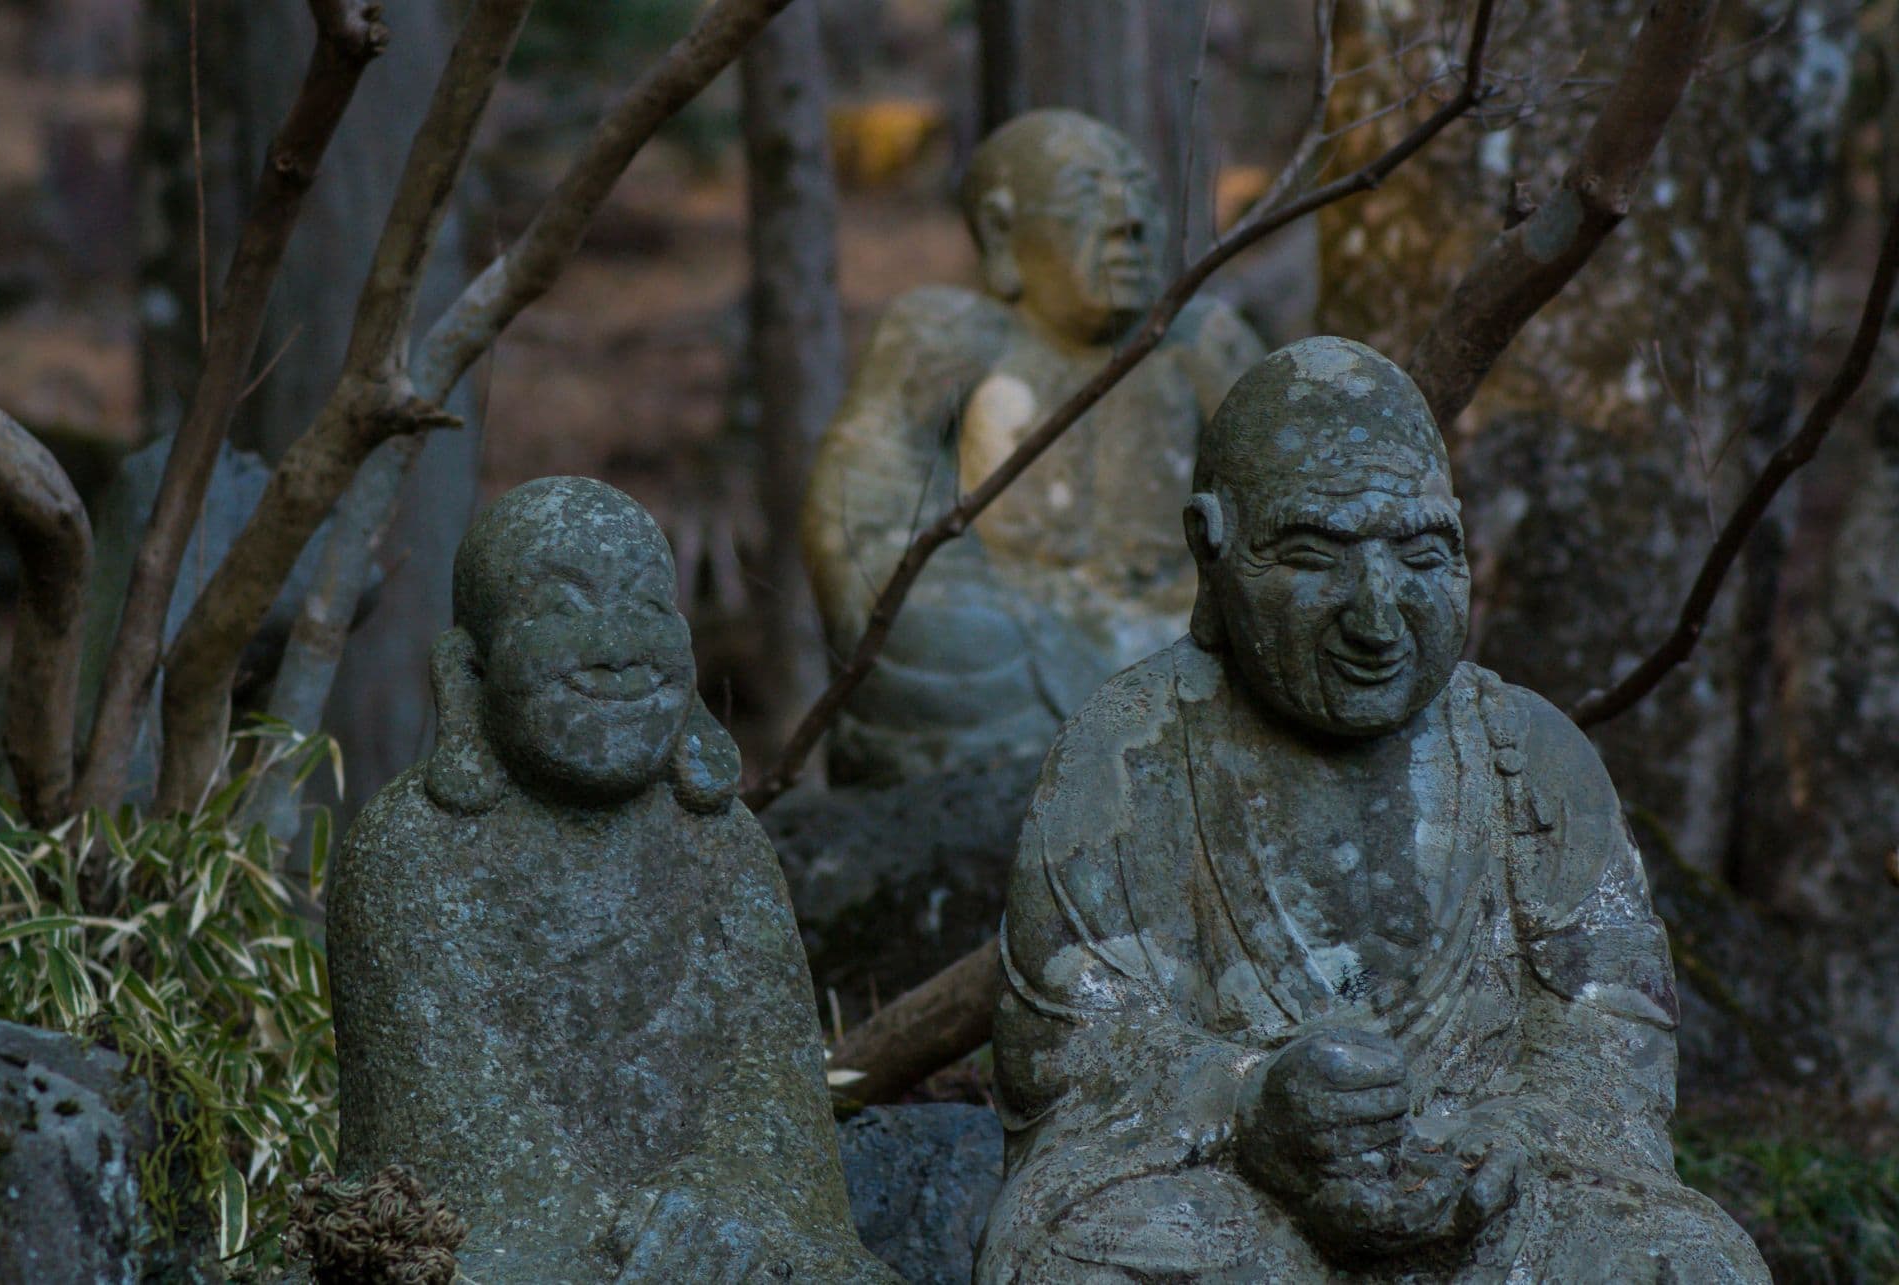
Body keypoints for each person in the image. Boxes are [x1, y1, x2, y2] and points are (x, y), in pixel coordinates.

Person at [976, 339, 1767, 1283]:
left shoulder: (1529, 752)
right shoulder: (1127, 749)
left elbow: (1611, 1044)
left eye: (1423, 554)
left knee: (1694, 1263)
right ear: (1209, 547)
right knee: (1078, 1261)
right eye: (1316, 556)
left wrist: (1498, 1145)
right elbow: (1066, 1050)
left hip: (1503, 1204)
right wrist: (1247, 1101)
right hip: (1233, 1200)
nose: (1378, 617)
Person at [330, 478, 897, 1283]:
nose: (617, 646)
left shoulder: (728, 847)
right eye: (561, 609)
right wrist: (626, 1243)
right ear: (469, 670)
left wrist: (727, 1202)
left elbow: (777, 1115)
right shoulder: (408, 850)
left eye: (646, 606)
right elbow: (444, 1156)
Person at [801, 109, 1263, 784]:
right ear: (1000, 228)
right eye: (1088, 196)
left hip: (1175, 630)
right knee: (925, 630)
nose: (1129, 222)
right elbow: (859, 518)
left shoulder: (1201, 340)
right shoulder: (949, 333)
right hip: (1009, 639)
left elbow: (1285, 502)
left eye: (1142, 196)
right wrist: (950, 599)